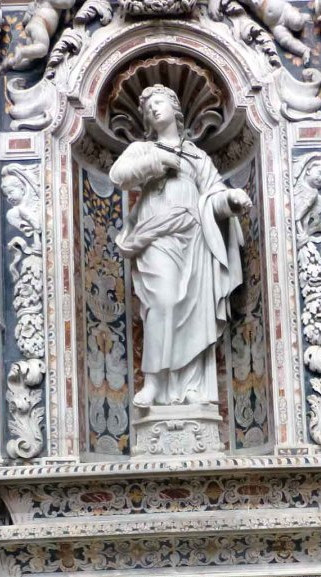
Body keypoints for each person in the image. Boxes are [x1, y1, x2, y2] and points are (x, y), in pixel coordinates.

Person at [109, 84, 251, 407]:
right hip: (156, 235)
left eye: (159, 102)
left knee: (194, 308)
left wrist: (230, 199)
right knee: (164, 301)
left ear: (175, 107)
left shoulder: (197, 156)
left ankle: (190, 386)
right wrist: (157, 159)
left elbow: (213, 195)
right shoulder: (142, 149)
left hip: (194, 237)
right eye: (148, 108)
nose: (153, 109)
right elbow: (119, 176)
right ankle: (155, 383)